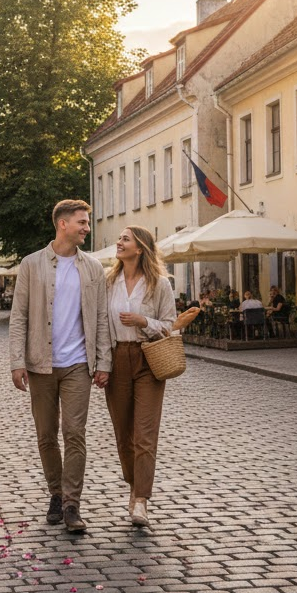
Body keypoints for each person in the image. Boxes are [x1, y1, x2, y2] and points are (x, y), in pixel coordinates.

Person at [9, 199, 111, 534]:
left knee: (75, 433)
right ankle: (55, 492)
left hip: (78, 365)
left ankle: (71, 504)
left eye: (87, 222)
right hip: (40, 363)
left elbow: (101, 319)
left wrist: (103, 362)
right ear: (63, 224)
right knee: (46, 435)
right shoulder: (32, 264)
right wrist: (17, 362)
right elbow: (18, 317)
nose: (87, 227)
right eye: (82, 222)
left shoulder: (93, 268)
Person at [103, 225, 178, 529]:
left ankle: (141, 500)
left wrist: (143, 321)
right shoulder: (108, 282)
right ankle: (134, 486)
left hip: (149, 359)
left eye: (125, 239)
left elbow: (171, 325)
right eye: (120, 239)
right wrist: (101, 363)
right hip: (117, 358)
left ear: (140, 248)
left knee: (145, 435)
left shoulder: (158, 284)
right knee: (124, 436)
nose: (118, 243)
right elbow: (99, 324)